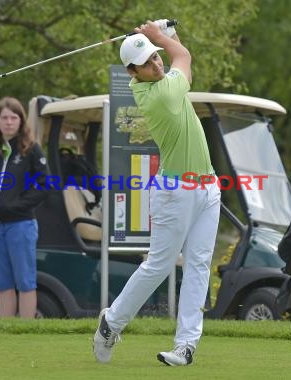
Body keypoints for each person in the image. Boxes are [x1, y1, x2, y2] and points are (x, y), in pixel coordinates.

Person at [93, 20, 221, 366]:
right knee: (159, 266)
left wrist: (163, 33)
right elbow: (184, 55)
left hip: (207, 186)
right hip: (174, 191)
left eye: (156, 57)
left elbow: (179, 61)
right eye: (148, 62)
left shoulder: (166, 82)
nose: (157, 63)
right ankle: (112, 322)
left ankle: (186, 345)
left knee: (198, 265)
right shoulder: (159, 95)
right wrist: (161, 35)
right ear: (133, 72)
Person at [0, 97, 49, 318]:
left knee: (25, 280)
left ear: (21, 121)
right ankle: (6, 329)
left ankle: (25, 330)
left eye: (13, 117)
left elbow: (44, 185)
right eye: (4, 117)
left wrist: (17, 206)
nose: (8, 122)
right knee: (2, 281)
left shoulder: (31, 150)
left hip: (21, 224)